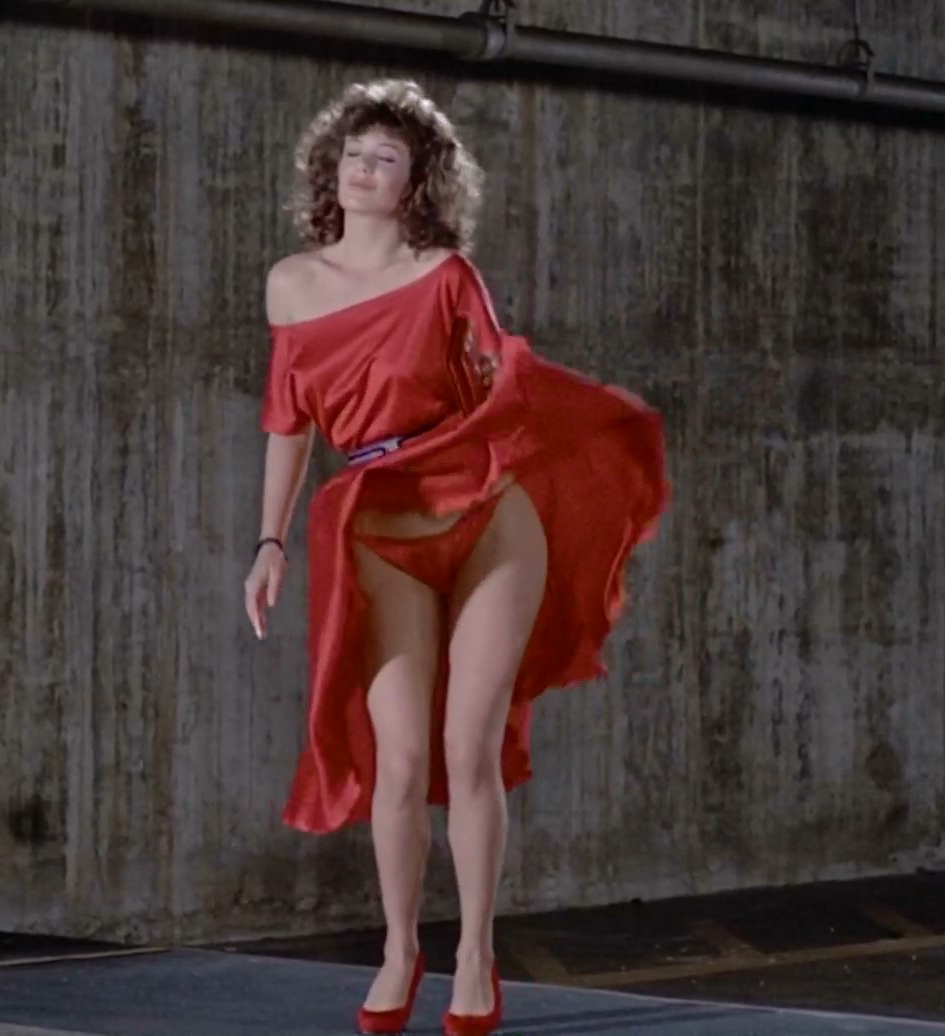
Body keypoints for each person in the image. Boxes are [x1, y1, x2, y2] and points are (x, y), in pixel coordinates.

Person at [242, 78, 669, 1036]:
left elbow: (504, 384)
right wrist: (269, 540)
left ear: (417, 182)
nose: (362, 169)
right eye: (353, 154)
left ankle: (476, 953)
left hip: (485, 513)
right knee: (397, 761)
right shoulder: (291, 284)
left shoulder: (445, 275)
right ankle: (401, 949)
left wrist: (578, 422)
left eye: (385, 159)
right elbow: (287, 422)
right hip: (380, 521)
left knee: (468, 748)